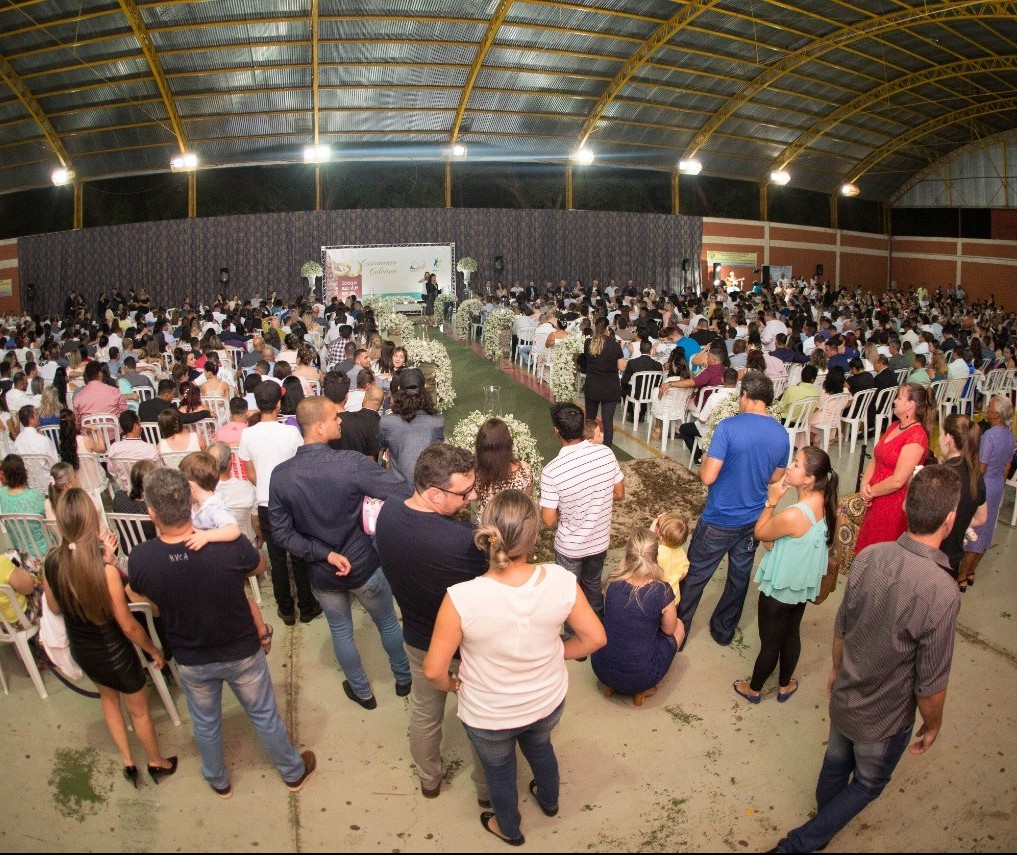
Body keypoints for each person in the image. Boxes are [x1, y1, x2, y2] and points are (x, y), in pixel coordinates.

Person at [772, 466, 962, 853]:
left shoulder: (870, 557)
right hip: (885, 716)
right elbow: (931, 681)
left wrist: (836, 671)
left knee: (835, 762)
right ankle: (802, 843)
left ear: (906, 504)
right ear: (951, 518)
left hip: (847, 692)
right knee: (868, 783)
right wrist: (933, 724)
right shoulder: (942, 592)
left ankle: (822, 826)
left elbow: (842, 626)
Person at [423, 490, 606, 846]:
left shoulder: (461, 598)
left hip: (489, 715)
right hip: (546, 702)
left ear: (486, 533)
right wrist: (558, 652)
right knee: (541, 749)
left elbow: (433, 670)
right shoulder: (561, 580)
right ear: (534, 535)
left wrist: (454, 685)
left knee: (500, 774)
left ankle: (509, 828)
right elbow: (595, 638)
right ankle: (550, 801)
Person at [127, 468, 315, 799]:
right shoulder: (229, 546)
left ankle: (218, 779)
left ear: (151, 512)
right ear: (190, 503)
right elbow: (258, 566)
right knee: (264, 713)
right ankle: (292, 772)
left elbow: (141, 594)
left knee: (205, 722)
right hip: (241, 650)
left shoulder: (142, 559)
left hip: (191, 656)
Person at [268, 396, 412, 708]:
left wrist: (321, 552)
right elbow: (400, 490)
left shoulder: (281, 476)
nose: (341, 421)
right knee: (387, 621)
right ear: (319, 426)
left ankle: (362, 691)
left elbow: (279, 532)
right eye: (335, 417)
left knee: (341, 632)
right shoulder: (350, 463)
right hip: (363, 564)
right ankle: (403, 679)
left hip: (323, 571)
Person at [375, 443, 490, 801]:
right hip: (464, 644)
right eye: (464, 492)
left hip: (418, 636)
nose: (472, 497)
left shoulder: (388, 513)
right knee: (480, 718)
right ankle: (487, 789)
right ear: (435, 494)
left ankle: (429, 779)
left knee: (424, 711)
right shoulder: (463, 542)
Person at [43, 488, 177, 788]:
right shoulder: (104, 571)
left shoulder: (51, 562)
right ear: (93, 519)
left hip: (82, 648)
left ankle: (128, 762)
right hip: (114, 652)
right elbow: (128, 625)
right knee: (139, 711)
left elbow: (53, 606)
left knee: (108, 700)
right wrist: (154, 650)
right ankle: (156, 762)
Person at [678, 372, 789, 647]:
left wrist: (705, 459)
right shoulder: (780, 432)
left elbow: (707, 477)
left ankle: (676, 633)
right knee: (739, 578)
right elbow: (776, 477)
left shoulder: (728, 428)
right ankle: (724, 630)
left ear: (747, 397)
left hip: (720, 518)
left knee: (694, 576)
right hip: (753, 519)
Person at [733, 447, 837, 704]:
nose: (789, 467)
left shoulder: (794, 514)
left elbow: (760, 532)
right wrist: (776, 537)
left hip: (780, 589)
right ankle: (784, 685)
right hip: (802, 585)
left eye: (797, 464)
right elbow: (789, 536)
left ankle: (754, 688)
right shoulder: (827, 503)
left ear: (810, 478)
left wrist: (772, 501)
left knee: (769, 643)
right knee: (791, 634)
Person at [238, 382, 319, 625]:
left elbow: (250, 473)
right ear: (279, 404)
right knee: (298, 556)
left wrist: (265, 482)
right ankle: (306, 606)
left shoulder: (247, 434)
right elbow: (301, 468)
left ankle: (285, 609)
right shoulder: (291, 433)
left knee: (276, 558)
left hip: (265, 502)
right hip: (292, 501)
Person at [179, 451, 272, 654]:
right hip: (211, 563)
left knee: (242, 599)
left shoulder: (215, 507)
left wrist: (206, 536)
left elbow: (232, 530)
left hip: (224, 560)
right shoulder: (197, 504)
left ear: (192, 485)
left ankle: (262, 630)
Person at [539, 402, 624, 623]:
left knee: (569, 591)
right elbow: (619, 492)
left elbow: (548, 520)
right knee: (593, 584)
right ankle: (597, 623)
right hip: (599, 541)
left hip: (570, 546)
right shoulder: (606, 453)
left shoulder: (551, 471)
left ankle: (575, 633)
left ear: (556, 431)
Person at [591, 528, 682, 701]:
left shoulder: (612, 582)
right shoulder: (661, 591)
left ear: (626, 556)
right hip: (640, 678)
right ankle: (643, 689)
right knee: (679, 627)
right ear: (655, 557)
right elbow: (670, 630)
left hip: (600, 668)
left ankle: (610, 686)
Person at [855, 383, 932, 554]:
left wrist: (870, 491)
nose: (895, 401)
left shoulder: (917, 436)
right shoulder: (894, 426)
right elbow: (876, 457)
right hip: (874, 499)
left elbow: (898, 480)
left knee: (881, 554)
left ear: (911, 405)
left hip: (892, 505)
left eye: (899, 397)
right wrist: (864, 485)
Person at [960, 395, 1015, 588]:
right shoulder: (1010, 435)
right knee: (987, 530)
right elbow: (1007, 468)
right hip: (997, 486)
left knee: (973, 529)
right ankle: (972, 572)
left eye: (990, 406)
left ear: (997, 414)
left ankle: (961, 577)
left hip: (984, 485)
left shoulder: (989, 436)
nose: (987, 408)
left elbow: (980, 468)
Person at [937, 415, 987, 588]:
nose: (939, 439)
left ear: (949, 439)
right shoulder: (975, 476)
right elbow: (981, 518)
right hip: (953, 558)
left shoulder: (941, 475)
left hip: (932, 556)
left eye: (941, 434)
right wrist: (960, 521)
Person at [379, 368, 444, 484]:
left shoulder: (386, 423)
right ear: (425, 387)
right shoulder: (437, 421)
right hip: (426, 489)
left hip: (399, 489)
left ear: (398, 389)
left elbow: (381, 445)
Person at [474, 417, 533, 517]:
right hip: (516, 529)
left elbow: (477, 501)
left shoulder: (476, 475)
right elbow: (527, 503)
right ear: (508, 443)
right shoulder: (523, 471)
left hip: (488, 529)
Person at [581, 318, 625, 448]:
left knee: (589, 419)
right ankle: (607, 451)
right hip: (610, 387)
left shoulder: (588, 343)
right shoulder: (614, 345)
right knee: (607, 422)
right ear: (607, 329)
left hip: (592, 385)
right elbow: (622, 367)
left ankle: (587, 446)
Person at [107, 410, 162, 489]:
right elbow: (159, 471)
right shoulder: (149, 449)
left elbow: (112, 471)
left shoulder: (114, 448)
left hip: (126, 489)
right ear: (136, 426)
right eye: (140, 423)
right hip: (147, 490)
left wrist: (123, 484)